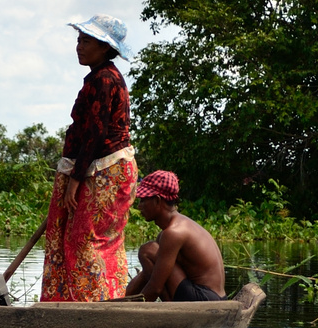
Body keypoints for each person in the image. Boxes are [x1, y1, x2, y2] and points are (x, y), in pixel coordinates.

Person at [41, 15, 137, 302]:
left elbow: (94, 134)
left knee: (84, 242)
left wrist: (74, 180)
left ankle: (93, 306)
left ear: (105, 48)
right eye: (79, 40)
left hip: (104, 170)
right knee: (84, 239)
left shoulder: (104, 79)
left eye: (86, 41)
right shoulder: (100, 77)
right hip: (104, 169)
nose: (79, 47)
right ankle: (87, 301)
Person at [125, 170, 226, 301]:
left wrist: (132, 310)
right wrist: (123, 298)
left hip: (205, 299)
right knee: (152, 255)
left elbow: (155, 288)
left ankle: (170, 307)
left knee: (147, 250)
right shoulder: (174, 228)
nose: (139, 206)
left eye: (143, 200)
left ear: (157, 200)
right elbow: (148, 275)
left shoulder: (174, 232)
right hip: (213, 296)